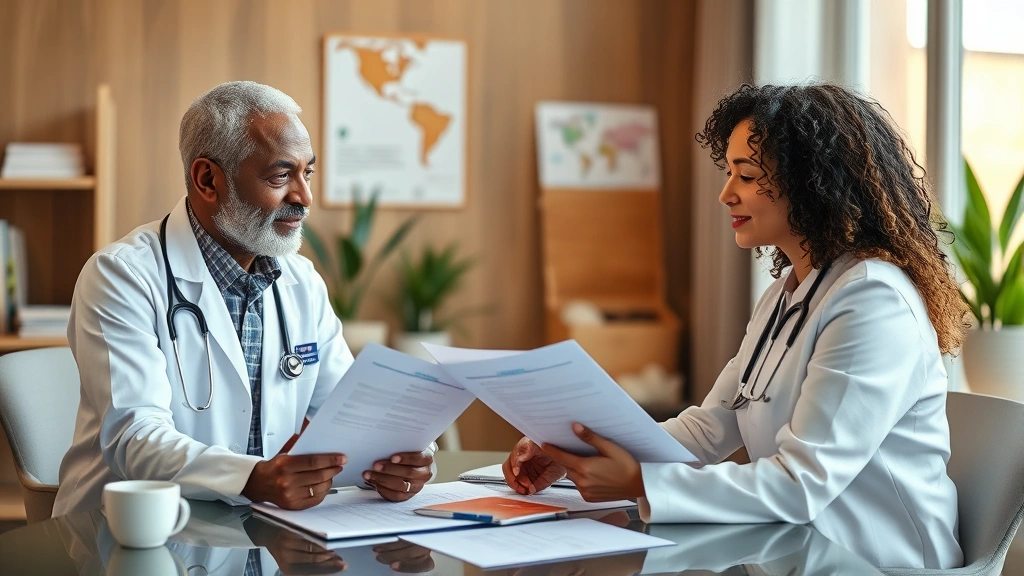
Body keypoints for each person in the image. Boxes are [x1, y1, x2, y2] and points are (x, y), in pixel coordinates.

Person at [502, 83, 968, 570]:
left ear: (811, 183)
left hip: (880, 562)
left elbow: (800, 484)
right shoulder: (786, 294)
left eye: (745, 175)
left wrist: (640, 480)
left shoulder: (873, 301)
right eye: (729, 173)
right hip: (795, 551)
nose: (726, 194)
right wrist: (577, 450)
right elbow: (709, 429)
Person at [53, 81, 434, 517]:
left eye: (307, 172)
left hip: (264, 533)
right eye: (280, 176)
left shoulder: (301, 282)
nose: (304, 198)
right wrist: (254, 478)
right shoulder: (123, 276)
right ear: (207, 179)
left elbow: (352, 412)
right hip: (130, 535)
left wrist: (398, 461)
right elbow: (134, 439)